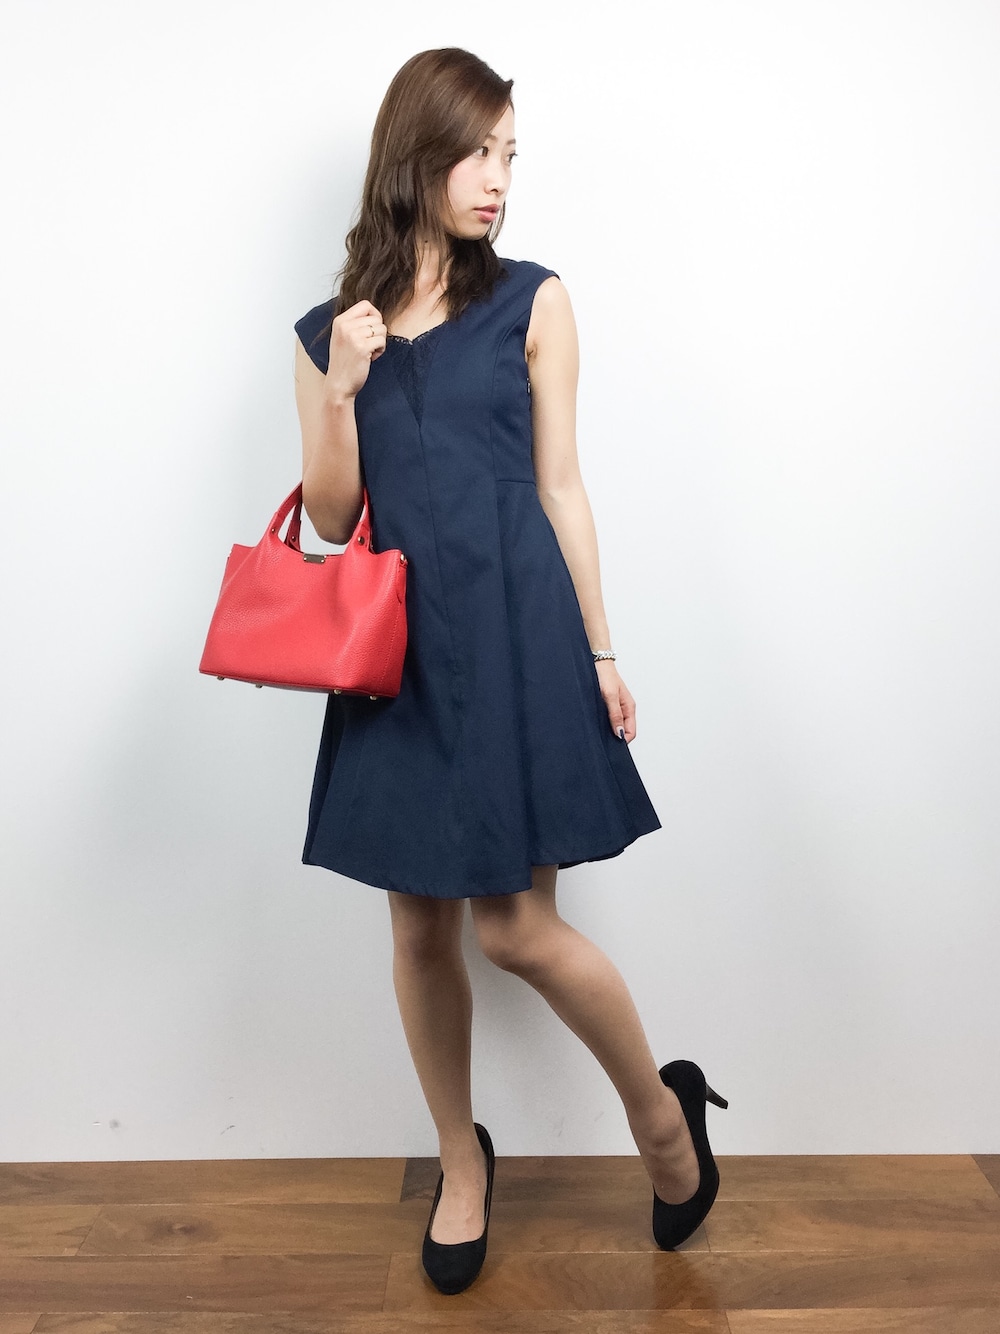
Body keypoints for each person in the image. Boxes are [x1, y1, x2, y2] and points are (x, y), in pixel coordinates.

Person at [293, 47, 727, 1295]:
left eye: (510, 156)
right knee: (419, 928)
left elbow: (561, 486)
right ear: (416, 155)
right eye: (477, 152)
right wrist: (344, 387)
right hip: (396, 650)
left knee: (516, 929)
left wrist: (601, 649)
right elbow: (330, 516)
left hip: (515, 631)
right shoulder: (332, 332)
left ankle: (660, 1115)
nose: (497, 179)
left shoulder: (535, 299)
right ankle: (459, 1159)